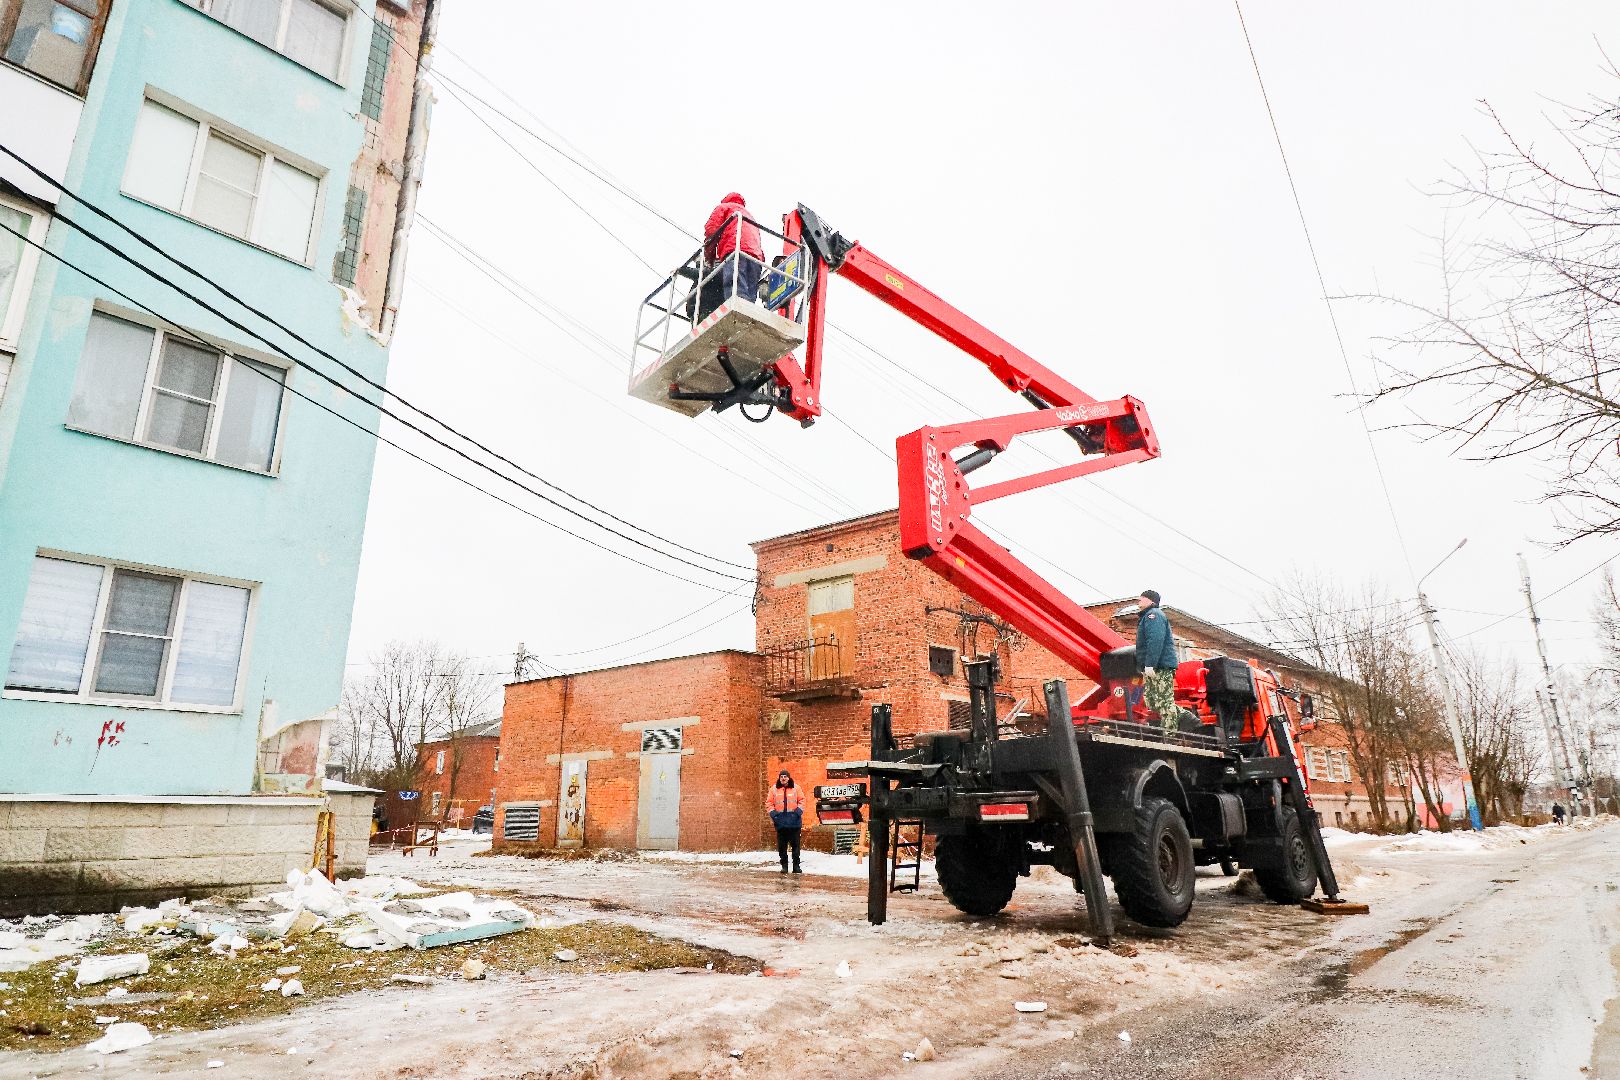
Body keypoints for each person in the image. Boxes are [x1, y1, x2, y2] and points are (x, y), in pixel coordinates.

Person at [701, 192, 764, 318]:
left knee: (735, 286)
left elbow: (712, 230)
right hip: (755, 257)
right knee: (750, 291)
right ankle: (748, 316)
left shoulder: (724, 208)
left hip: (735, 249)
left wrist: (709, 257)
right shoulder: (749, 216)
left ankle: (738, 315)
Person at [1135, 589, 1179, 733]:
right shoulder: (1146, 617)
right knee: (1151, 701)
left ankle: (1170, 734)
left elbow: (1155, 641)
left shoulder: (1154, 616)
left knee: (1164, 701)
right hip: (1153, 667)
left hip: (1161, 666)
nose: (1138, 600)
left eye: (1142, 598)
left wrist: (1150, 664)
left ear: (1151, 601)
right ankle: (1185, 717)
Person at [766, 769, 804, 873]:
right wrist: (774, 815)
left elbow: (802, 800)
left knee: (796, 847)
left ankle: (796, 866)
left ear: (788, 778)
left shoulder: (796, 788)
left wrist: (797, 813)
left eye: (785, 776)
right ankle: (784, 866)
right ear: (779, 778)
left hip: (794, 823)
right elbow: (769, 803)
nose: (783, 778)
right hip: (781, 823)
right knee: (782, 848)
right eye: (781, 777)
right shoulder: (773, 789)